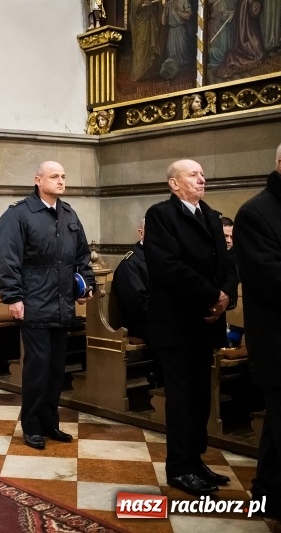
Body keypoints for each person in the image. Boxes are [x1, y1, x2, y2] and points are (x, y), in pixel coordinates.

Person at [143, 159, 238, 496]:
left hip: (207, 321)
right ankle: (179, 467)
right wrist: (213, 295)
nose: (202, 178)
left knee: (200, 398)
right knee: (181, 398)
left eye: (202, 174)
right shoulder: (161, 216)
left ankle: (196, 461)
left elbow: (229, 261)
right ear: (174, 184)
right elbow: (168, 266)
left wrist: (226, 296)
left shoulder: (211, 215)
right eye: (193, 175)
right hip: (177, 322)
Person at [0, 161, 94, 450]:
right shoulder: (19, 214)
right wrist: (13, 296)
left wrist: (85, 284)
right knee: (37, 369)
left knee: (56, 369)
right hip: (35, 302)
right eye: (54, 176)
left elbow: (82, 256)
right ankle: (33, 426)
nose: (61, 181)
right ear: (38, 180)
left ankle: (51, 422)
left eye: (63, 176)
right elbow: (6, 258)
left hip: (63, 304)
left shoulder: (68, 213)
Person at [233, 144, 281, 519]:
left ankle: (269, 492)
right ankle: (268, 495)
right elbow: (269, 278)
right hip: (277, 342)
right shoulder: (256, 213)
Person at [112, 219, 150, 341]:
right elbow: (139, 305)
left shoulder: (162, 259)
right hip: (141, 324)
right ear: (141, 233)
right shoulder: (130, 263)